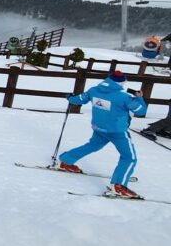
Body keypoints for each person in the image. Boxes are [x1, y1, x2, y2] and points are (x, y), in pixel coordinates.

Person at [57, 70, 147, 198]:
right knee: (129, 157)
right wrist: (139, 98)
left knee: (92, 146)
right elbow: (140, 111)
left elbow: (79, 100)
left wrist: (69, 97)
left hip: (99, 128)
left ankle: (65, 161)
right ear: (122, 83)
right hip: (117, 131)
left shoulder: (94, 90)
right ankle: (119, 186)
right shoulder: (124, 97)